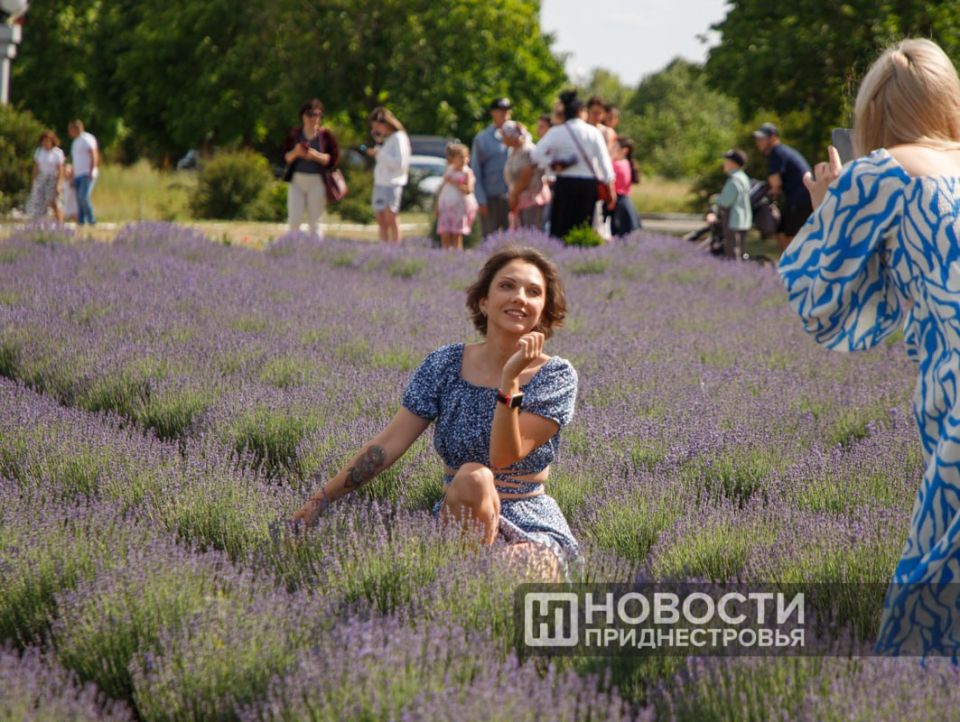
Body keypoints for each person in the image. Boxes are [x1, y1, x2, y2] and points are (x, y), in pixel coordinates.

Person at [777, 38, 960, 656]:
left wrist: (827, 207)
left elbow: (824, 303)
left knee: (934, 591)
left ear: (875, 110)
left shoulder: (879, 171)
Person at [290, 246, 580, 579]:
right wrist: (320, 501)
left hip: (531, 522)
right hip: (460, 514)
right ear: (483, 301)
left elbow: (502, 456)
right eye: (506, 286)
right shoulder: (444, 364)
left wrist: (510, 380)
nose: (519, 297)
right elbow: (388, 445)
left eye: (533, 292)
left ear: (543, 312)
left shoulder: (556, 376)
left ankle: (466, 581)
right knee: (473, 477)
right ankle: (463, 576)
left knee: (508, 570)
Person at [531, 90, 615, 240]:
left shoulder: (557, 132)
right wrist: (610, 188)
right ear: (581, 111)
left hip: (565, 183)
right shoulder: (593, 132)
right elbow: (605, 165)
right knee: (583, 228)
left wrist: (552, 164)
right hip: (587, 185)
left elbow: (536, 154)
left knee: (561, 227)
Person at [282, 98, 340, 237]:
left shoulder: (326, 136)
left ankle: (315, 253)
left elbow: (332, 159)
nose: (314, 118)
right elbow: (285, 158)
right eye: (310, 114)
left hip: (317, 181)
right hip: (297, 181)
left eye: (317, 114)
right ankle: (293, 250)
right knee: (294, 220)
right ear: (303, 116)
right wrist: (296, 152)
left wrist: (315, 156)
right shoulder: (295, 134)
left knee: (315, 223)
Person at [753, 122, 812, 251]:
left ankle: (792, 269)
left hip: (799, 201)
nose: (759, 142)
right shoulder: (782, 151)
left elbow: (776, 185)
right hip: (801, 199)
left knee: (789, 238)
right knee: (782, 233)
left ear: (773, 138)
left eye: (762, 138)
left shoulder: (776, 153)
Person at [367, 107, 411, 243]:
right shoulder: (388, 139)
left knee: (391, 216)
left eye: (377, 127)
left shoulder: (399, 138)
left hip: (392, 183)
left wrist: (379, 154)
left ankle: (395, 248)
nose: (376, 131)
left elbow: (400, 163)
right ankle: (384, 247)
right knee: (381, 218)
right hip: (381, 182)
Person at [471, 98, 513, 237]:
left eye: (507, 111)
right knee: (490, 239)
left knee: (514, 241)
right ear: (492, 113)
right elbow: (476, 171)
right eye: (500, 111)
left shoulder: (519, 134)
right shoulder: (482, 138)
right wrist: (481, 199)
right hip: (491, 197)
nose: (504, 114)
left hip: (514, 196)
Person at [502, 121, 550, 230]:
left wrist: (514, 194)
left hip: (531, 198)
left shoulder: (527, 150)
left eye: (504, 135)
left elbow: (526, 175)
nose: (503, 138)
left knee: (531, 231)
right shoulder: (514, 150)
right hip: (521, 198)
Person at [709, 149, 751, 259]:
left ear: (733, 163)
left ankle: (735, 274)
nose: (724, 163)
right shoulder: (744, 177)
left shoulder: (734, 179)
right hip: (744, 220)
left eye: (726, 161)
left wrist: (715, 199)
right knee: (740, 250)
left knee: (732, 251)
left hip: (733, 220)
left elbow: (726, 201)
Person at [435, 143, 478, 250]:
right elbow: (441, 189)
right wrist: (437, 205)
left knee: (456, 234)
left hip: (459, 207)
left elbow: (469, 190)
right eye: (460, 157)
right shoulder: (449, 170)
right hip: (446, 206)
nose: (463, 160)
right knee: (445, 233)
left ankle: (457, 255)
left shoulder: (467, 172)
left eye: (465, 157)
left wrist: (455, 182)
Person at [25, 130, 65, 222]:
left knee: (53, 201)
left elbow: (60, 169)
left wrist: (59, 184)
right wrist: (34, 180)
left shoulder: (57, 153)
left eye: (48, 141)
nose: (46, 143)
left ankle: (60, 222)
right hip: (42, 178)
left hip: (53, 178)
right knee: (39, 201)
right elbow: (36, 167)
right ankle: (40, 223)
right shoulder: (39, 152)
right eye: (44, 141)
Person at [67, 120, 98, 226]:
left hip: (86, 173)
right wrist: (72, 176)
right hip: (78, 174)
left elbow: (93, 154)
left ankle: (92, 220)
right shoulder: (75, 142)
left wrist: (92, 170)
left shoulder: (87, 139)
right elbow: (75, 160)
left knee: (83, 196)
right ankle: (81, 221)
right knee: (78, 199)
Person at [610, 137, 642, 237]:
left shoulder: (616, 165)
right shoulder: (627, 163)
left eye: (615, 147)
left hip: (617, 201)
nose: (611, 148)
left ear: (624, 150)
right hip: (626, 201)